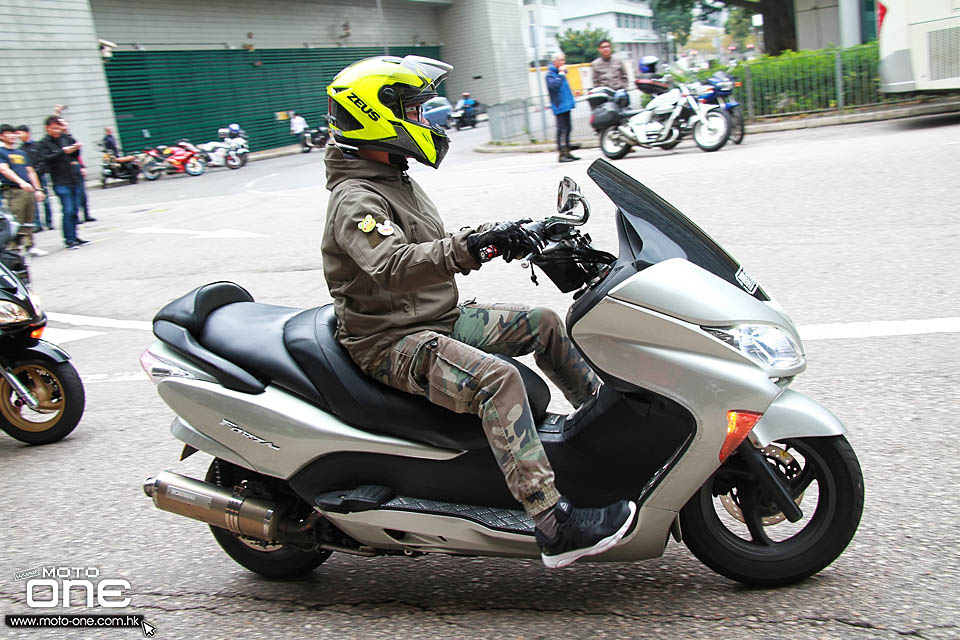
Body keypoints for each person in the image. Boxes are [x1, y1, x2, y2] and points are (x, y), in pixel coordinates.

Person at [322, 55, 635, 569]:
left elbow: (434, 243)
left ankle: (604, 430)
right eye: (414, 110)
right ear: (377, 115)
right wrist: (475, 248)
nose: (426, 120)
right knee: (498, 381)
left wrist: (512, 231)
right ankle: (553, 522)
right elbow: (394, 265)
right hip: (393, 342)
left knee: (546, 324)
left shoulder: (392, 178)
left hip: (434, 318)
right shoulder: (355, 198)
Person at [37, 116, 88, 249]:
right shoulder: (43, 144)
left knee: (75, 210)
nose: (57, 130)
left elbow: (75, 156)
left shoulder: (66, 138)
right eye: (54, 128)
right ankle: (69, 239)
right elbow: (45, 159)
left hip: (73, 178)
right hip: (60, 181)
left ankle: (75, 236)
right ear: (47, 128)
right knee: (68, 209)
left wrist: (76, 148)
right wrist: (62, 152)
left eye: (59, 127)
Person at [0, 125, 47, 256]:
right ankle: (13, 248)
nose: (12, 136)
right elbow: (4, 169)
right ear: (1, 136)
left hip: (28, 190)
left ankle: (30, 245)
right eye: (8, 133)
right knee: (16, 220)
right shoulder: (2, 152)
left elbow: (30, 171)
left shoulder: (21, 153)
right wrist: (21, 182)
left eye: (14, 133)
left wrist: (38, 189)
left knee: (29, 219)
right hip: (13, 191)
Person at [15, 125, 53, 231]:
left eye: (19, 133)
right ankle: (37, 224)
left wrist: (37, 171)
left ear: (27, 133)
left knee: (45, 199)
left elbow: (43, 160)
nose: (18, 136)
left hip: (40, 175)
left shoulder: (38, 146)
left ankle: (49, 222)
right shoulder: (20, 150)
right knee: (33, 201)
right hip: (29, 177)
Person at [545, 53, 580, 163]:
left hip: (566, 105)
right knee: (561, 130)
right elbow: (554, 86)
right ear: (554, 62)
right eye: (561, 60)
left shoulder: (561, 74)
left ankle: (568, 151)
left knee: (568, 128)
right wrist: (560, 74)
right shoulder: (550, 74)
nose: (563, 63)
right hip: (559, 105)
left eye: (564, 60)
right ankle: (561, 153)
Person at [61, 121, 95, 223]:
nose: (65, 126)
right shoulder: (59, 140)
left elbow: (77, 155)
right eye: (62, 124)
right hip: (67, 170)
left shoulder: (70, 138)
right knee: (73, 194)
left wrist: (82, 166)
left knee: (82, 193)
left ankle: (86, 214)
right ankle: (76, 217)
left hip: (76, 167)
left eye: (66, 124)